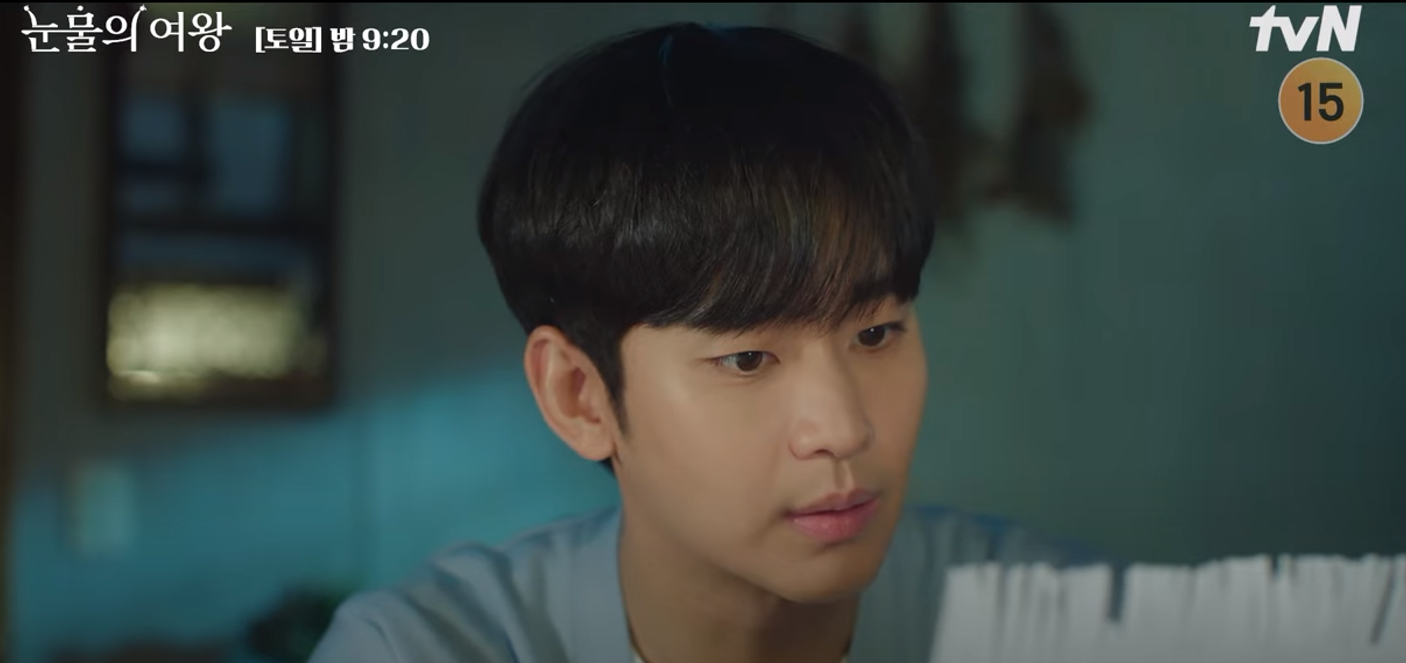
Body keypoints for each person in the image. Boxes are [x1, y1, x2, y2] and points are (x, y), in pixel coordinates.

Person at [309, 22, 1101, 663]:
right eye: (748, 358)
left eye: (875, 332)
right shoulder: (419, 649)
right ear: (579, 396)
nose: (843, 428)